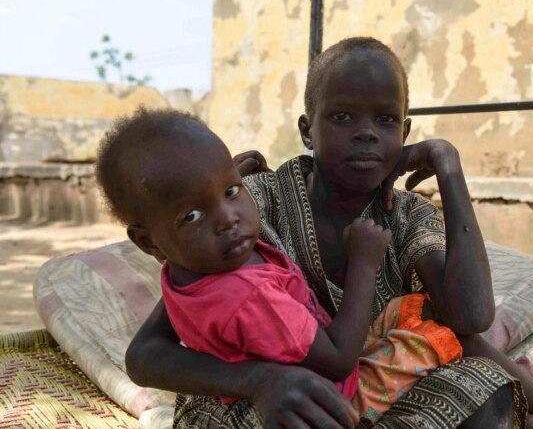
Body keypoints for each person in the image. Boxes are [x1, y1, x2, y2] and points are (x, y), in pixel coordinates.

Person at [123, 36, 533, 428]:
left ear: (405, 133)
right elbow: (146, 354)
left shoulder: (405, 215)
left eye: (386, 119)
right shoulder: (260, 205)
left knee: (485, 386)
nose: (366, 132)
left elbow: (471, 318)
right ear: (308, 130)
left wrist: (448, 166)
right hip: (261, 406)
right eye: (342, 116)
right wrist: (259, 380)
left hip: (362, 396)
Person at [95, 107, 467, 424]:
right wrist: (363, 264)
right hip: (332, 395)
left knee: (419, 313)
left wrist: (218, 190)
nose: (228, 218)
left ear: (405, 131)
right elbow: (338, 361)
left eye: (230, 190)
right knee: (438, 342)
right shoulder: (246, 282)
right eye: (192, 214)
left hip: (325, 360)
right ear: (308, 128)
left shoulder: (191, 266)